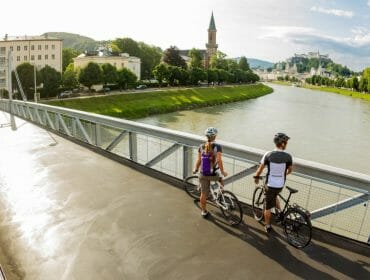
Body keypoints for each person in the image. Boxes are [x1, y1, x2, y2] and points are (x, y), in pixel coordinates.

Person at [254, 133, 293, 233]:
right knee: (275, 195)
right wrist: (282, 175)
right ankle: (280, 213)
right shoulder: (288, 156)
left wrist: (257, 177)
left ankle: (267, 225)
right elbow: (290, 171)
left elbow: (260, 169)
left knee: (267, 207)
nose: (287, 144)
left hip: (270, 185)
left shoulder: (268, 154)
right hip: (280, 185)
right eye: (286, 143)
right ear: (283, 144)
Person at [193, 127, 228, 217]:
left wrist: (195, 169)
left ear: (206, 136)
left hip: (203, 173)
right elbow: (219, 160)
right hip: (213, 174)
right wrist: (223, 172)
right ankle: (220, 196)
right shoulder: (217, 147)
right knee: (221, 180)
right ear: (215, 136)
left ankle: (204, 211)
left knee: (203, 194)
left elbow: (199, 160)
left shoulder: (201, 146)